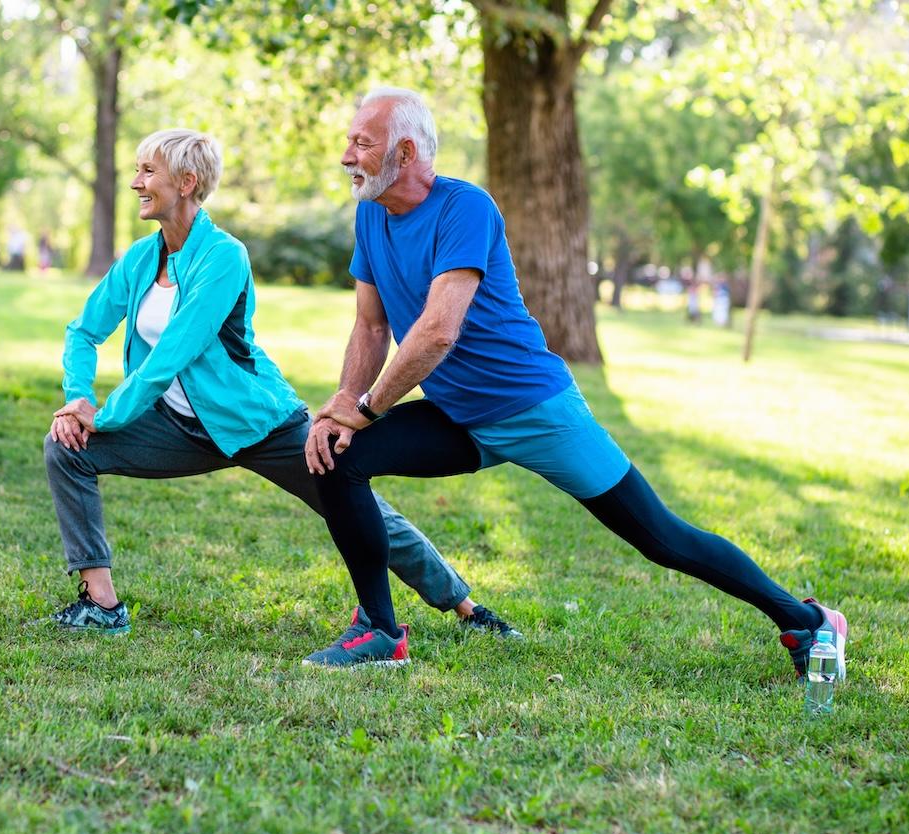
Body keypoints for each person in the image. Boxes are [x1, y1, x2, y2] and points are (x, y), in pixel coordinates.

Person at [302, 88, 848, 678]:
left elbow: (437, 332)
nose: (346, 156)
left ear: (405, 152)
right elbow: (370, 323)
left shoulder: (466, 208)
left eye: (362, 142)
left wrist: (368, 407)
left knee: (661, 537)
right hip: (458, 417)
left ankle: (807, 620)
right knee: (337, 457)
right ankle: (379, 631)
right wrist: (340, 411)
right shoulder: (370, 215)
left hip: (534, 409)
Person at [44, 128, 518, 639]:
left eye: (147, 171)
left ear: (185, 182)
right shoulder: (139, 260)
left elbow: (171, 355)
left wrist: (108, 416)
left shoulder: (224, 257)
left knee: (359, 508)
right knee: (67, 449)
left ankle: (466, 606)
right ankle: (101, 603)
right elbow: (83, 331)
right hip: (178, 427)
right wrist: (78, 399)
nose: (136, 182)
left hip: (259, 424)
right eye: (136, 170)